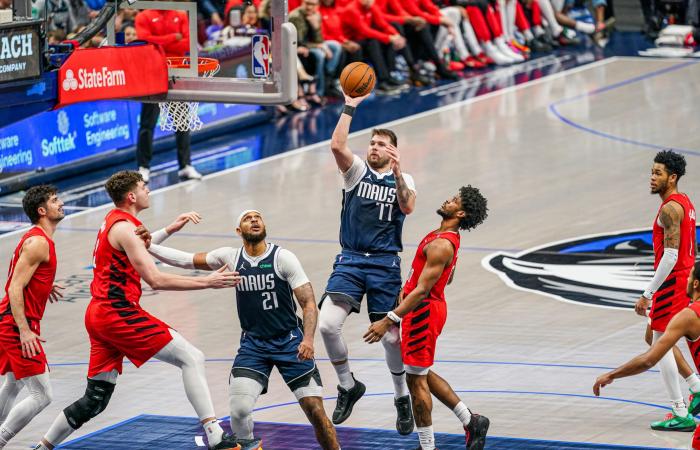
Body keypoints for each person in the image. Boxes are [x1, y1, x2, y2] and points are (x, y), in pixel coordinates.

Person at [32, 171, 242, 450]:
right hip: (118, 313)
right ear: (132, 196)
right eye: (145, 187)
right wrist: (207, 282)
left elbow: (136, 246)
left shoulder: (114, 220)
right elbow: (155, 279)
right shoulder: (126, 228)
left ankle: (42, 447)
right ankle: (215, 435)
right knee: (192, 357)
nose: (149, 191)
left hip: (98, 314)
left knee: (95, 399)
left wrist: (169, 229)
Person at [143, 209, 341, 450]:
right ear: (239, 231)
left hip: (290, 342)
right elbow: (184, 259)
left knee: (316, 412)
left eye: (258, 216)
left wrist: (308, 340)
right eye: (248, 218)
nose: (254, 220)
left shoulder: (283, 257)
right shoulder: (230, 257)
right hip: (254, 346)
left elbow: (309, 303)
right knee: (238, 412)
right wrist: (148, 244)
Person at [318, 90, 416, 435]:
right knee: (328, 325)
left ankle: (401, 396)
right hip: (351, 259)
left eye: (381, 145)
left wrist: (400, 171)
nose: (373, 147)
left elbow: (407, 207)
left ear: (393, 152)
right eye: (372, 143)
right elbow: (336, 146)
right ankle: (347, 385)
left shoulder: (403, 180)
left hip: (385, 263)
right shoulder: (355, 172)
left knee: (391, 339)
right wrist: (349, 107)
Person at [364, 187, 491, 450]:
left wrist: (388, 319)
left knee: (416, 380)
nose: (448, 199)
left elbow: (423, 291)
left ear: (461, 213)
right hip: (421, 308)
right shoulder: (443, 236)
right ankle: (471, 421)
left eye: (454, 200)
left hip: (422, 312)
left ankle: (427, 446)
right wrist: (409, 287)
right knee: (419, 371)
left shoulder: (442, 244)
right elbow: (445, 277)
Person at [594, 261, 700, 448]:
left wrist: (611, 375)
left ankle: (688, 399)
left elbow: (649, 360)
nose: (686, 279)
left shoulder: (689, 317)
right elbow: (651, 336)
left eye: (689, 275)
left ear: (695, 283)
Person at [632, 150, 697, 431]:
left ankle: (680, 410)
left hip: (672, 281)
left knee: (660, 344)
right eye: (652, 171)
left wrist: (647, 293)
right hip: (683, 278)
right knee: (656, 338)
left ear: (673, 177)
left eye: (658, 173)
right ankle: (695, 387)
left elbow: (670, 256)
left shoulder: (670, 208)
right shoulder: (685, 203)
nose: (652, 177)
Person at [0, 186, 65, 449]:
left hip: (12, 321)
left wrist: (43, 285)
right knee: (42, 395)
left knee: (13, 385)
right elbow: (15, 286)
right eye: (54, 201)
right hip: (16, 325)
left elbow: (22, 278)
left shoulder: (38, 239)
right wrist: (25, 330)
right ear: (42, 211)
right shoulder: (39, 242)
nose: (60, 203)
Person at [135, 7, 202, 183]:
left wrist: (160, 44)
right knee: (147, 124)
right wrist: (173, 38)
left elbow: (187, 43)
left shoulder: (180, 14)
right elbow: (145, 42)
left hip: (176, 74)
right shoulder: (144, 16)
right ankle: (143, 167)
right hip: (153, 74)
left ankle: (185, 165)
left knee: (182, 121)